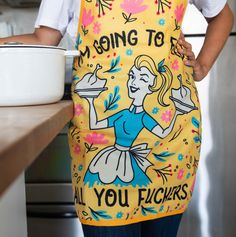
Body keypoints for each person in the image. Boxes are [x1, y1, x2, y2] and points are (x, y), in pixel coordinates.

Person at [0, 0, 233, 236]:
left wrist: (202, 66)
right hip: (99, 147)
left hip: (170, 150)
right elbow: (43, 40)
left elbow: (222, 16)